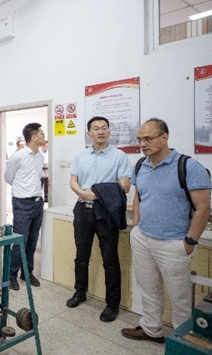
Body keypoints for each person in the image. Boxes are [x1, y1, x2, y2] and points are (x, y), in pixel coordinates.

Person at [121, 118, 212, 343]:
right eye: (139, 139)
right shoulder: (140, 165)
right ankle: (151, 329)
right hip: (143, 238)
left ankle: (182, 339)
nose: (143, 144)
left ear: (164, 137)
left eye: (148, 139)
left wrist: (190, 241)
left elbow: (203, 208)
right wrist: (137, 226)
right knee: (148, 289)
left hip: (174, 243)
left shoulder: (188, 166)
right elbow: (139, 196)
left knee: (179, 297)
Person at [67, 116, 132, 323]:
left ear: (109, 132)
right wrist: (82, 194)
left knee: (110, 259)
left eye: (104, 128)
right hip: (82, 210)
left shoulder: (119, 156)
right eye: (96, 128)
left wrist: (93, 194)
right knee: (81, 256)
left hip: (106, 212)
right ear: (89, 134)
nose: (100, 131)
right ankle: (80, 293)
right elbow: (73, 181)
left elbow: (124, 186)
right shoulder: (81, 156)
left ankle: (112, 304)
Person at [4, 123, 46, 290]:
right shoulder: (18, 156)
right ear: (34, 137)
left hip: (38, 203)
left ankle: (27, 273)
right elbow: (8, 177)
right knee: (20, 240)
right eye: (41, 133)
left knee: (33, 240)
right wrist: (22, 190)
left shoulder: (40, 156)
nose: (43, 136)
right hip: (22, 203)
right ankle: (11, 275)